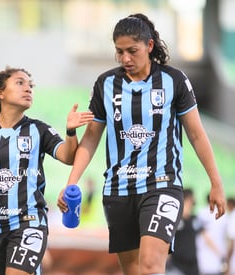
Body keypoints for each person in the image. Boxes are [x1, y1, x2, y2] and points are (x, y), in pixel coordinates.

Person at [56, 13, 226, 275]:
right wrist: (71, 183)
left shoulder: (174, 81)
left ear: (149, 46)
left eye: (132, 51)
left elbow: (197, 134)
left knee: (150, 266)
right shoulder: (106, 84)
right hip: (118, 191)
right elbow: (91, 138)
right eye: (119, 51)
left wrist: (216, 182)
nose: (125, 58)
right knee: (134, 271)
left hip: (162, 186)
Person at [0, 66, 94, 275]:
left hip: (29, 222)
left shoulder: (38, 129)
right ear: (0, 92)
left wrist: (70, 131)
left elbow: (68, 156)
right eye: (20, 83)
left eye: (30, 85)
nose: (28, 89)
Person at [166, 188, 201, 275]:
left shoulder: (194, 219)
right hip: (177, 264)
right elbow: (167, 241)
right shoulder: (175, 220)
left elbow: (206, 238)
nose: (193, 204)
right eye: (191, 201)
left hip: (193, 264)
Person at [196, 194, 228, 275]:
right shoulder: (204, 213)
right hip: (212, 256)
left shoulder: (201, 212)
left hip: (208, 258)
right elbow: (205, 236)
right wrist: (221, 254)